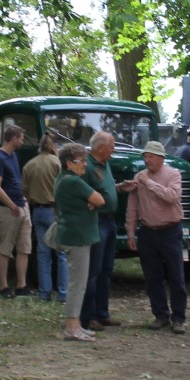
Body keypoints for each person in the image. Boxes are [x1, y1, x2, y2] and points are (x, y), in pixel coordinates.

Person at [122, 140, 187, 334]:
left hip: (171, 230)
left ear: (160, 158)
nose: (147, 160)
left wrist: (149, 183)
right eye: (145, 156)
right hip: (148, 231)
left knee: (176, 276)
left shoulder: (173, 174)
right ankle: (160, 315)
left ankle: (179, 318)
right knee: (152, 277)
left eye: (150, 156)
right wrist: (131, 232)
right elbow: (132, 206)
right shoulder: (139, 176)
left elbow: (172, 197)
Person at [54, 143, 106, 341]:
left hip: (74, 235)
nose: (84, 165)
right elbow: (100, 199)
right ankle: (72, 327)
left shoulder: (63, 179)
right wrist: (92, 200)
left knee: (78, 281)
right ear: (69, 163)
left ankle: (74, 325)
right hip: (78, 236)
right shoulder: (74, 182)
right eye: (81, 161)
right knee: (78, 283)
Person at [79, 131, 120, 331]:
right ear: (101, 148)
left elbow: (105, 189)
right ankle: (88, 316)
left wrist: (119, 188)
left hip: (110, 223)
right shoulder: (87, 166)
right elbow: (81, 191)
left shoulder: (105, 163)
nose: (114, 149)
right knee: (93, 271)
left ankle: (103, 314)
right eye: (112, 146)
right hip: (97, 222)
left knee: (106, 270)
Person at [22, 134, 67, 304]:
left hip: (37, 211)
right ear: (53, 146)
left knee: (43, 253)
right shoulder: (57, 163)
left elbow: (24, 190)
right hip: (54, 210)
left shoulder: (29, 164)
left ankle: (44, 293)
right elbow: (64, 186)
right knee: (61, 253)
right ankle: (63, 293)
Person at [0, 124, 33, 299]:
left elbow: (16, 181)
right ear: (13, 138)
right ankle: (4, 286)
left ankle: (22, 285)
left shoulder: (13, 156)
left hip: (22, 206)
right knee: (6, 248)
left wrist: (23, 201)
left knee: (24, 248)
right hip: (9, 210)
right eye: (21, 138)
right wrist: (11, 205)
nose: (22, 141)